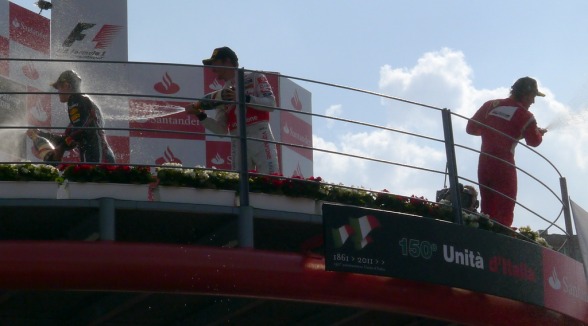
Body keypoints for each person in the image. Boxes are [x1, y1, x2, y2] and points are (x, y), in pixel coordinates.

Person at [184, 46, 280, 174]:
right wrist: (200, 115)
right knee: (239, 184)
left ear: (228, 61)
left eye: (215, 63)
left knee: (270, 180)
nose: (212, 69)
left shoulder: (255, 76)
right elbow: (221, 130)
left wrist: (243, 98)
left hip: (260, 134)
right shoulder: (221, 95)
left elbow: (271, 104)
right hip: (237, 139)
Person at [466, 76, 547, 227]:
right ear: (525, 94)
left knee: (487, 205)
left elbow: (470, 128)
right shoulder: (526, 116)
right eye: (533, 97)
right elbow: (534, 142)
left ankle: (485, 234)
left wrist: (493, 133)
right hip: (504, 164)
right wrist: (538, 132)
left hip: (484, 162)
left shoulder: (490, 105)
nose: (533, 102)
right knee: (505, 205)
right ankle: (501, 241)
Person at [27, 70, 115, 163]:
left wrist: (60, 149)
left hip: (96, 157)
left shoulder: (75, 99)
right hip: (102, 155)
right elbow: (69, 138)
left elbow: (79, 131)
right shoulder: (84, 104)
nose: (58, 92)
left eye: (59, 88)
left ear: (66, 85)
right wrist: (40, 134)